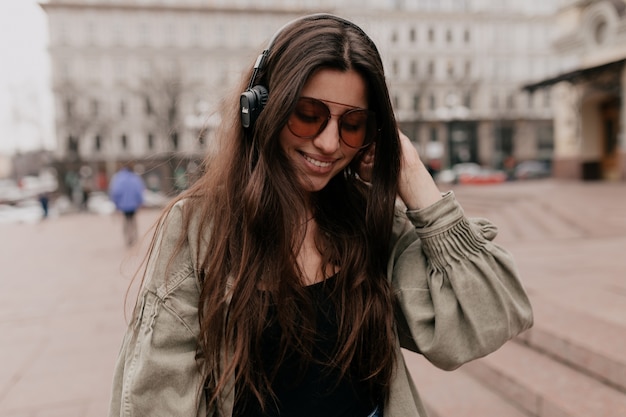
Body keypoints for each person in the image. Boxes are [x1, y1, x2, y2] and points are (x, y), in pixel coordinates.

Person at [108, 14, 533, 417]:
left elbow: (491, 317)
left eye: (352, 124)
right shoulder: (201, 228)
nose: (329, 143)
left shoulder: (371, 221)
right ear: (261, 109)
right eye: (308, 115)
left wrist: (412, 177)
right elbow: (156, 397)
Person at [108, 163, 145, 246]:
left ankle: (127, 238)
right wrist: (140, 202)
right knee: (133, 221)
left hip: (123, 205)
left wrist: (116, 204)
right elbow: (139, 191)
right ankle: (134, 237)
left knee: (126, 221)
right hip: (133, 205)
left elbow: (115, 192)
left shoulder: (118, 178)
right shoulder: (135, 178)